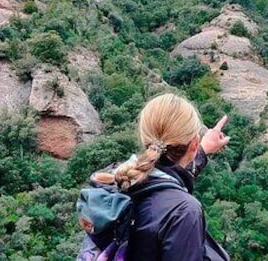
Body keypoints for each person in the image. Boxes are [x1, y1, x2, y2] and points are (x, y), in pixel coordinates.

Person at [89, 93, 231, 261]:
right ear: (193, 144)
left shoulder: (114, 179)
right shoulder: (184, 211)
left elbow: (163, 180)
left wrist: (202, 152)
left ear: (145, 139)